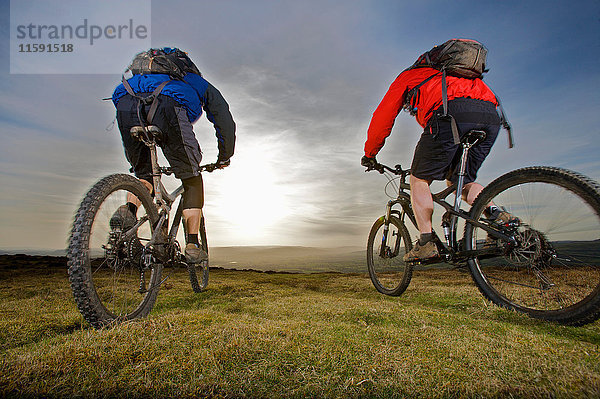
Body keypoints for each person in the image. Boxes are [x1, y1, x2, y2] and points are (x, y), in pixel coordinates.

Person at [362, 40, 512, 262]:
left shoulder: (411, 76)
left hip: (450, 116)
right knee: (462, 181)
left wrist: (370, 153)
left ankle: (425, 242)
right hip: (490, 119)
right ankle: (498, 216)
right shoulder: (464, 78)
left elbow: (382, 117)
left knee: (419, 179)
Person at [110, 47, 236, 263]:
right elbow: (221, 114)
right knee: (191, 178)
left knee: (145, 174)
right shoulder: (191, 79)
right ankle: (193, 244)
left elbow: (119, 98)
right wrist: (225, 155)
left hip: (126, 104)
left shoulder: (139, 76)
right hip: (168, 107)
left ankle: (128, 211)